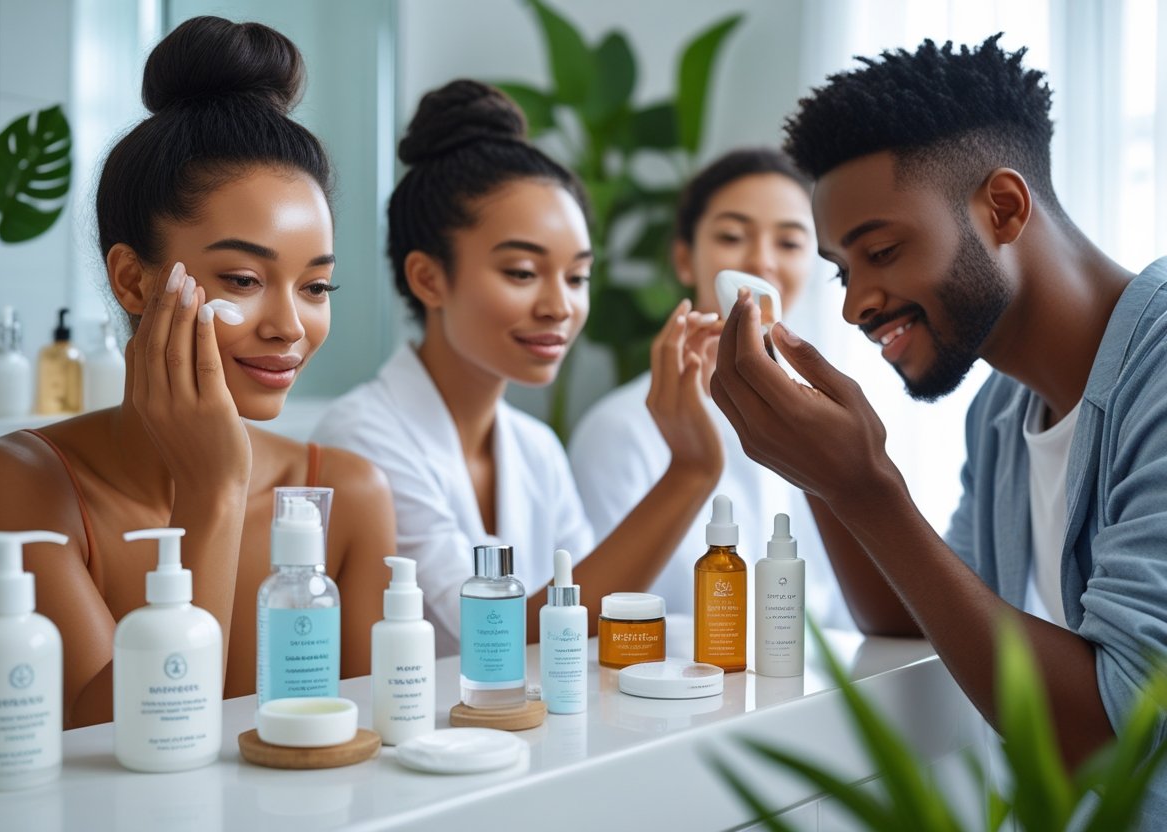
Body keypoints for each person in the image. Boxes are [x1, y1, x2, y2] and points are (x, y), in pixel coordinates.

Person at [710, 34, 1167, 815]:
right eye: (842, 271)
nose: (855, 303)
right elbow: (905, 612)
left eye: (881, 250)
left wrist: (869, 488)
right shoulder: (1002, 412)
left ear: (1004, 207)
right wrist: (822, 469)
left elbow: (1114, 731)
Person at [0, 16, 394, 730]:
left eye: (316, 287)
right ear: (132, 281)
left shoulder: (347, 495)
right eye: (245, 278)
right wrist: (211, 489)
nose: (290, 325)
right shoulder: (14, 483)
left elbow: (362, 748)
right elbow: (106, 751)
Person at [311, 80, 722, 654]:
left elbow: (581, 623)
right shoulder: (360, 440)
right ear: (428, 278)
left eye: (577, 277)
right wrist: (690, 471)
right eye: (523, 272)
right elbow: (493, 635)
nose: (560, 306)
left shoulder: (536, 449)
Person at [569, 148, 850, 627]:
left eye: (789, 242)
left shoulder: (827, 418)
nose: (761, 260)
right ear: (684, 259)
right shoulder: (618, 430)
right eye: (732, 236)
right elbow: (601, 615)